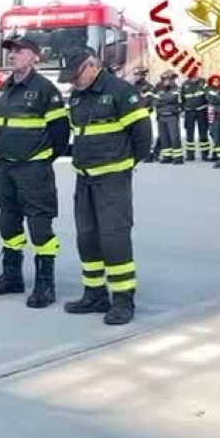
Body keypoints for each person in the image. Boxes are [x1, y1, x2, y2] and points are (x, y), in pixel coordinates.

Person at [62, 48, 152, 326]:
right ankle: (95, 294)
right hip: (84, 178)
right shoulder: (78, 95)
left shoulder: (120, 92)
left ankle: (123, 300)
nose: (73, 82)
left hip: (112, 180)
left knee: (114, 240)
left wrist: (123, 165)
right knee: (87, 238)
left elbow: (143, 137)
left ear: (92, 65)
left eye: (76, 75)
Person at [0, 37, 70, 308]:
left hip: (33, 168)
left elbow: (59, 134)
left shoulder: (45, 90)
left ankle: (45, 284)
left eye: (19, 51)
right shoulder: (5, 88)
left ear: (35, 56)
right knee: (8, 223)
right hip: (6, 166)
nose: (12, 56)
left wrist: (40, 158)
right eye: (10, 51)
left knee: (39, 226)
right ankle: (12, 276)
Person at [153, 71, 184, 164]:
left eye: (169, 80)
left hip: (172, 116)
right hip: (161, 116)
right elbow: (154, 101)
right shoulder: (158, 88)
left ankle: (178, 157)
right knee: (164, 137)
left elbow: (171, 98)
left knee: (174, 137)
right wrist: (163, 99)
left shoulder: (176, 89)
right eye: (165, 80)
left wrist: (161, 98)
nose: (167, 82)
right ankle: (167, 156)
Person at [179, 73, 211, 161]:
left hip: (201, 110)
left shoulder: (203, 82)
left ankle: (205, 154)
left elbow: (208, 95)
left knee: (203, 133)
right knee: (189, 134)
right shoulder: (185, 84)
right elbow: (181, 98)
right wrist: (182, 109)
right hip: (189, 111)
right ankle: (190, 154)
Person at [132, 68, 156, 162]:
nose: (136, 77)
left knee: (147, 135)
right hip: (134, 115)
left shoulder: (148, 87)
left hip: (145, 114)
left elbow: (150, 100)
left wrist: (147, 110)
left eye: (138, 75)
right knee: (137, 135)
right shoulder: (133, 86)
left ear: (143, 75)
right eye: (136, 75)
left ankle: (149, 154)